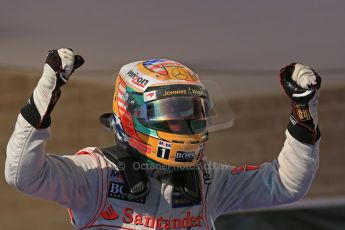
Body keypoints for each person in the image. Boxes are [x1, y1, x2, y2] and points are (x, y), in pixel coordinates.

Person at [5, 48, 321, 230]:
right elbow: (23, 176)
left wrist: (304, 112)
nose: (184, 123)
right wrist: (45, 93)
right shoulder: (97, 175)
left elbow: (284, 185)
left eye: (192, 111)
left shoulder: (205, 180)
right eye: (171, 111)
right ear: (133, 114)